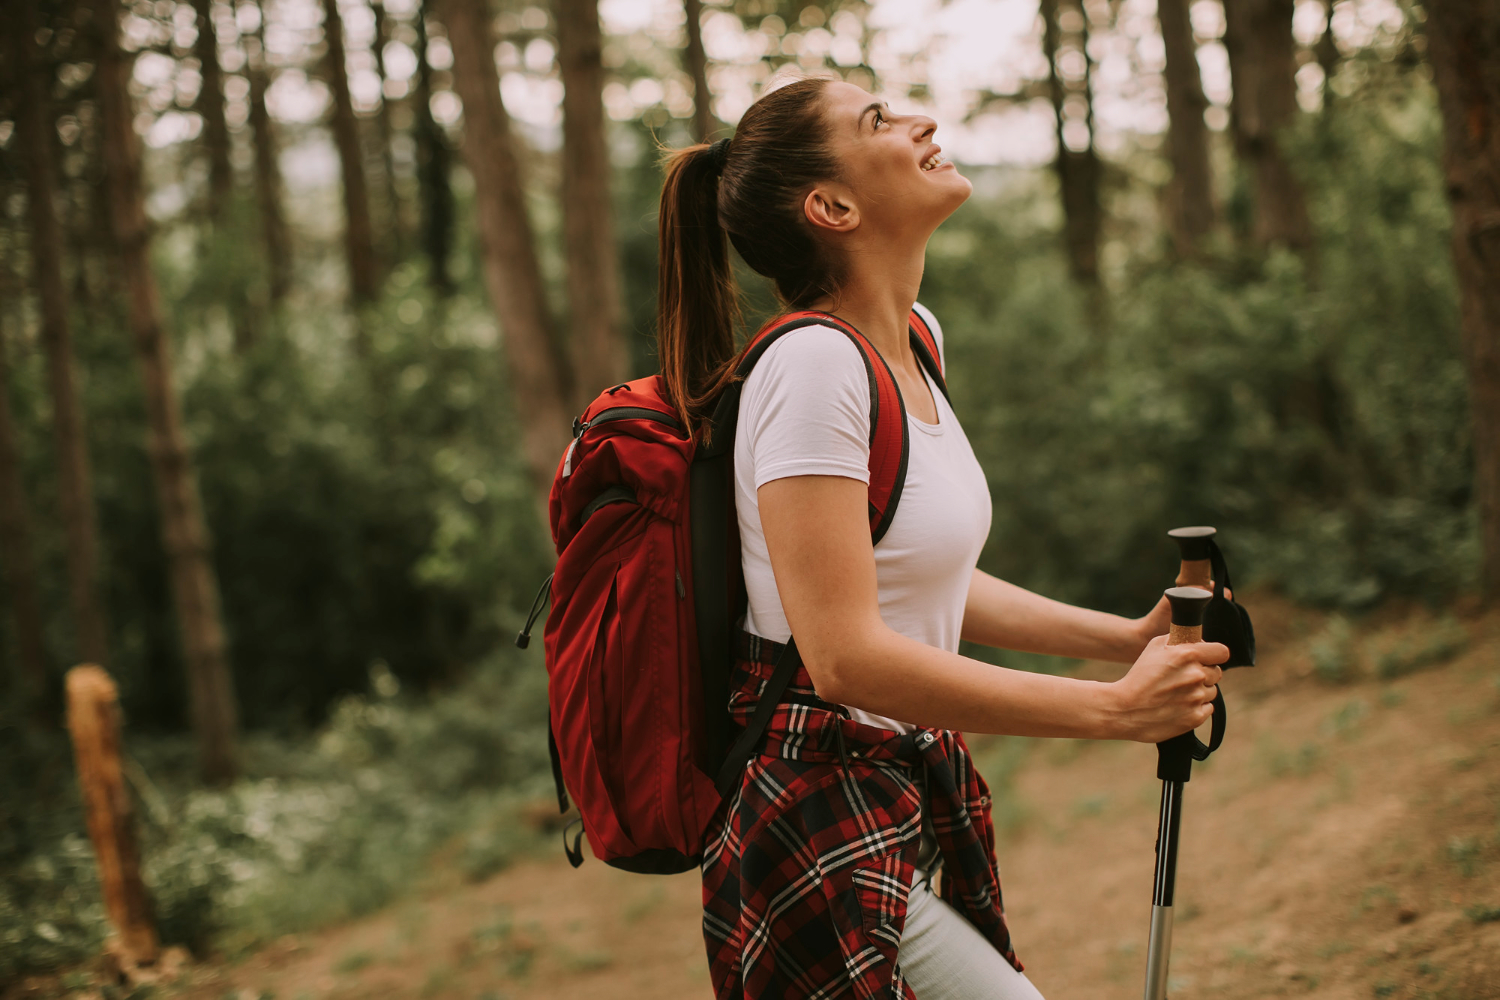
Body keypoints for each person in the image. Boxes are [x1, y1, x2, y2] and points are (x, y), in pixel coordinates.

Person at [655, 76, 1228, 1000]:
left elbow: (920, 576)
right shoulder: (810, 367)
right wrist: (1113, 710)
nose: (922, 119)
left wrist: (1121, 638)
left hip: (902, 789)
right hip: (816, 811)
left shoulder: (914, 340)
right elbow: (846, 656)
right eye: (877, 121)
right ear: (831, 206)